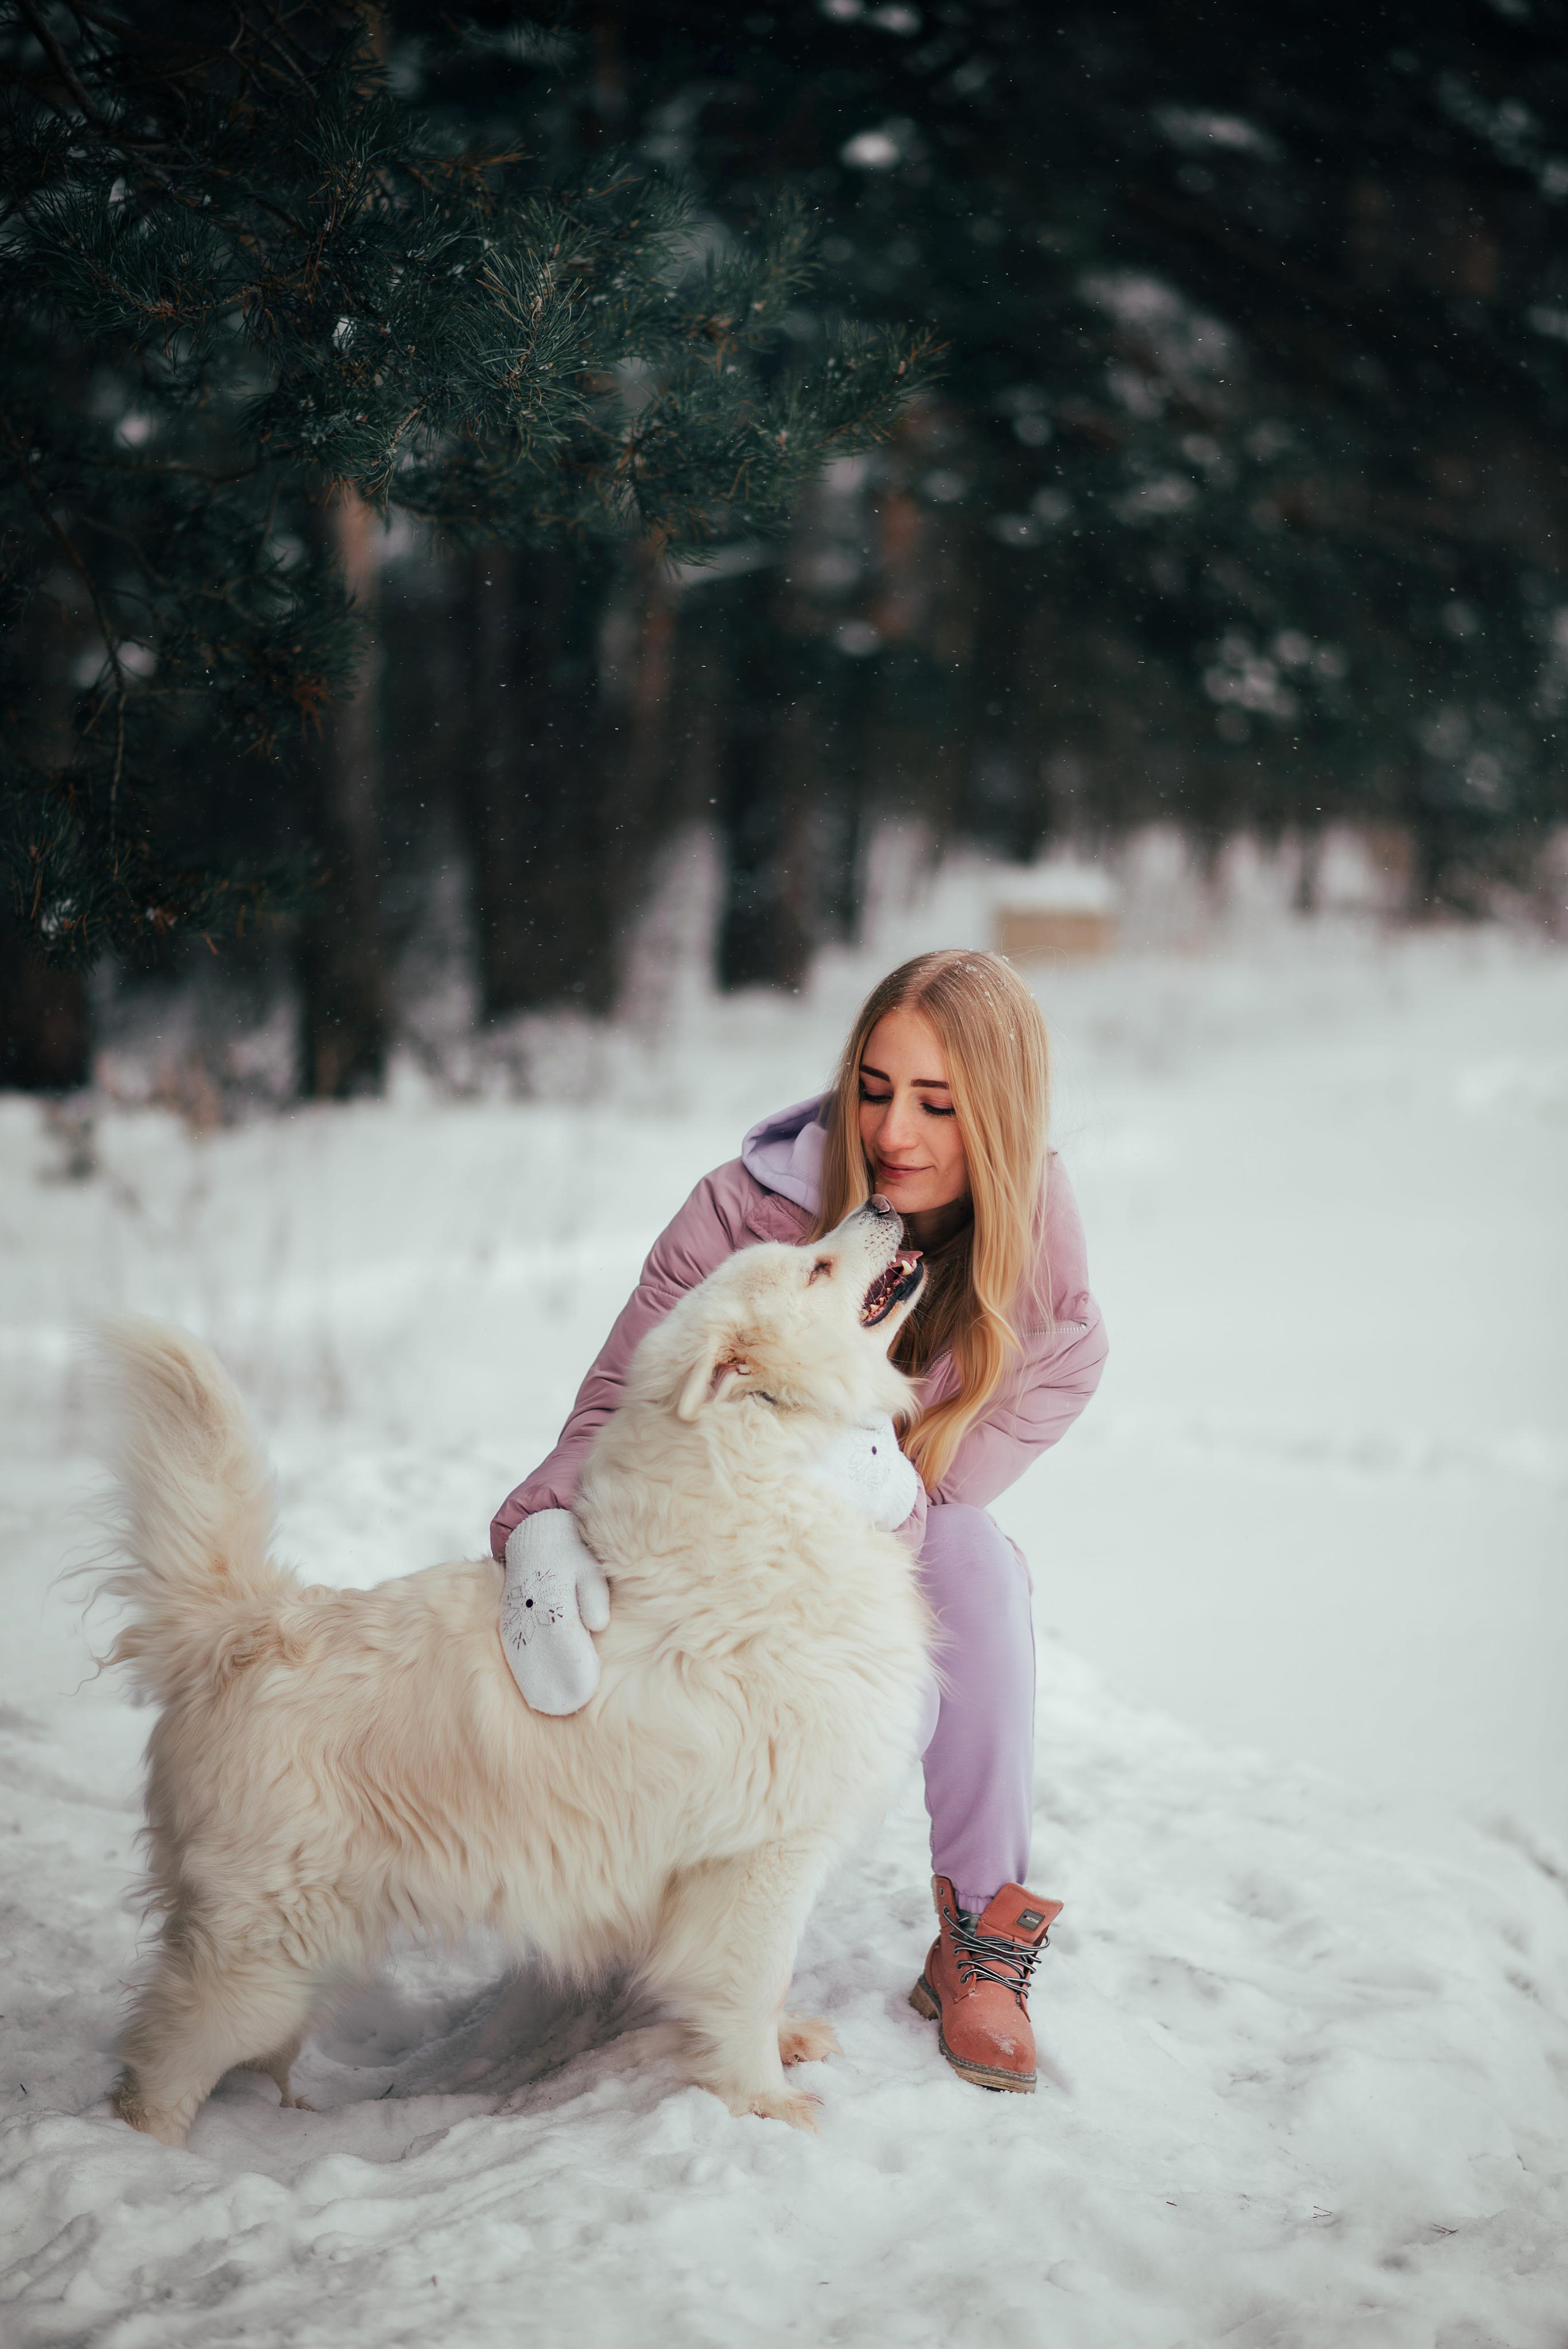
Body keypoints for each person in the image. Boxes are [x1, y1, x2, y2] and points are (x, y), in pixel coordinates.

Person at [490, 948, 1108, 2094]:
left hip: (859, 1568)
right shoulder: (746, 1208)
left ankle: (978, 1933)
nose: (894, 1133)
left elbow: (1004, 1429)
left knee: (973, 1557)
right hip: (707, 1575)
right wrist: (539, 1521)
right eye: (875, 1088)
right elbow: (616, 1399)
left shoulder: (1034, 1256)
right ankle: (652, 1883)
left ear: (1002, 1114)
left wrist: (889, 1489)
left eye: (940, 1102)